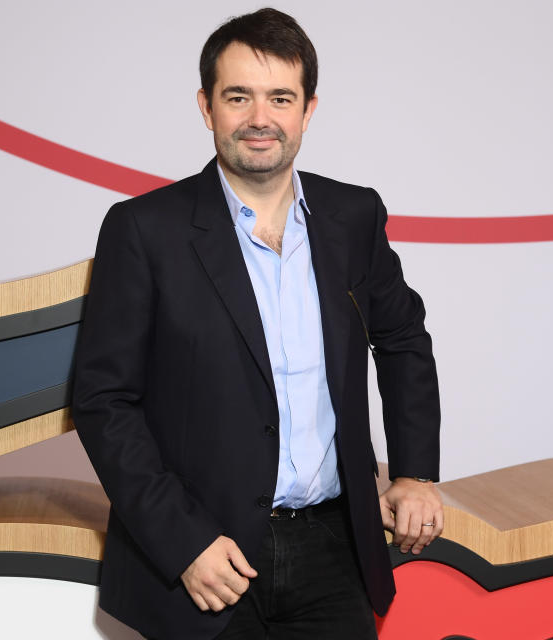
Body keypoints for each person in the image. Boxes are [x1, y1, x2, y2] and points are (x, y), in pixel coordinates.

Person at [72, 8, 442, 639]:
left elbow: (403, 339)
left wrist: (415, 473)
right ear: (206, 105)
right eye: (238, 96)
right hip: (205, 559)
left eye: (280, 98)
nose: (259, 119)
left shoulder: (353, 216)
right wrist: (182, 542)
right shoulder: (143, 230)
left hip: (335, 547)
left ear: (308, 109)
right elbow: (105, 400)